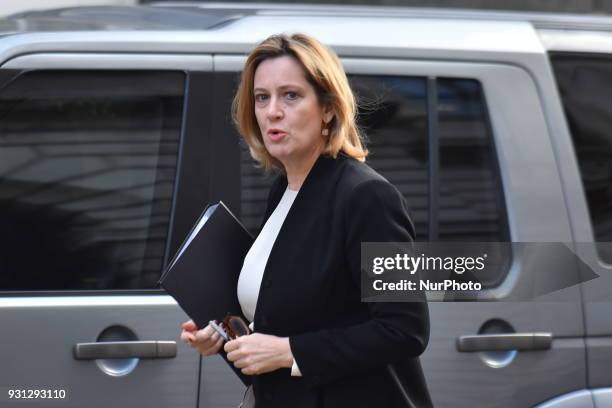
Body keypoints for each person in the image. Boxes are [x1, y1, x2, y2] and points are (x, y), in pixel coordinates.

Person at [180, 33, 431, 408]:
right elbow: (295, 314)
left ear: (328, 107)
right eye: (262, 97)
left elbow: (405, 330)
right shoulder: (284, 189)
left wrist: (287, 351)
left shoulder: (367, 197)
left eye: (291, 95)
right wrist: (224, 335)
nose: (272, 111)